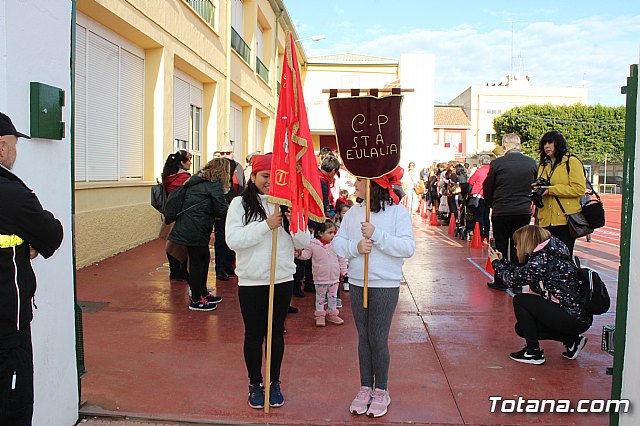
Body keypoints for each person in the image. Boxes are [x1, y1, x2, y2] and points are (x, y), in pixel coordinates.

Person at [225, 154, 310, 409]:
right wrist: (266, 225)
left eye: (276, 178)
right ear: (253, 177)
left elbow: (304, 243)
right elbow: (233, 240)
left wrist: (289, 222)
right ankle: (255, 384)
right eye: (265, 176)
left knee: (275, 334)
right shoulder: (239, 204)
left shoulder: (289, 204)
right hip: (252, 281)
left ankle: (274, 383)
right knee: (253, 334)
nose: (270, 182)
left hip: (281, 278)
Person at [332, 167, 415, 418]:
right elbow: (337, 242)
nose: (355, 184)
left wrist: (377, 235)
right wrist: (356, 247)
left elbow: (407, 247)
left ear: (373, 186)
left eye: (360, 180)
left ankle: (382, 389)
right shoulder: (354, 212)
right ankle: (365, 386)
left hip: (385, 284)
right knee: (363, 337)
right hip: (358, 282)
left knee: (378, 338)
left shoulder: (398, 213)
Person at [0, 112, 64, 424]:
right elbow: (51, 234)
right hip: (6, 328)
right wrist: (25, 244)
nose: (15, 153)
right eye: (14, 145)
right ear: (1, 148)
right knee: (14, 408)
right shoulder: (11, 193)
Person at [488, 225, 592, 365]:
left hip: (571, 315)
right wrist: (503, 262)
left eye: (517, 243)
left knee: (520, 300)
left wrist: (495, 263)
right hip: (577, 315)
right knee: (522, 328)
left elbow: (512, 280)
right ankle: (571, 340)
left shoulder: (542, 259)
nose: (516, 247)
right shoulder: (552, 251)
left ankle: (533, 352)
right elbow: (523, 273)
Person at [168, 158, 229, 311]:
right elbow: (222, 209)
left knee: (203, 259)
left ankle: (202, 293)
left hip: (190, 226)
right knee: (198, 262)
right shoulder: (213, 185)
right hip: (196, 228)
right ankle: (196, 299)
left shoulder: (198, 181)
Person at [483, 133, 537, 291]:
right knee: (519, 246)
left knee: (500, 245)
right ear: (519, 145)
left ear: (505, 146)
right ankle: (518, 283)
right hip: (522, 210)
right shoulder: (531, 163)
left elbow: (488, 187)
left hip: (502, 210)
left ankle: (500, 280)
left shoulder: (498, 164)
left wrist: (492, 203)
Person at [534, 130, 586, 256]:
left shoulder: (571, 161)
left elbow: (579, 189)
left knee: (564, 258)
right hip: (546, 219)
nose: (547, 146)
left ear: (558, 144)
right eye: (544, 143)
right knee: (546, 259)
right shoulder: (543, 164)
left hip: (565, 219)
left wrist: (551, 189)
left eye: (550, 143)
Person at [296, 221, 347, 327]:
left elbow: (341, 259)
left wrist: (344, 271)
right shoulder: (312, 245)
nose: (333, 235)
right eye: (330, 232)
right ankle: (320, 315)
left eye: (334, 232)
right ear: (320, 233)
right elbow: (306, 255)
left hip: (334, 278)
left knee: (333, 297)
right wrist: (299, 254)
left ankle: (332, 313)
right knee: (320, 297)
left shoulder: (335, 245)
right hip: (320, 278)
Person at [215, 144, 246, 281]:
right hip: (221, 211)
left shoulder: (238, 167)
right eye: (222, 153)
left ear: (233, 153)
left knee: (234, 237)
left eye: (228, 152)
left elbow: (242, 186)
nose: (225, 155)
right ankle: (220, 268)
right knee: (221, 240)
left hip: (235, 208)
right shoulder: (215, 169)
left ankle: (229, 265)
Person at [161, 150, 192, 281]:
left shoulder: (167, 177)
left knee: (170, 243)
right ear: (182, 163)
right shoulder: (185, 178)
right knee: (183, 245)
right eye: (189, 160)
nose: (190, 162)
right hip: (182, 215)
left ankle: (173, 271)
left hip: (169, 215)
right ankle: (181, 272)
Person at [468, 155, 492, 243]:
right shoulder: (492, 170)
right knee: (487, 216)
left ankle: (480, 234)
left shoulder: (479, 170)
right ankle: (486, 236)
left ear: (481, 162)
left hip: (478, 195)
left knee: (479, 216)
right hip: (489, 196)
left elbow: (471, 181)